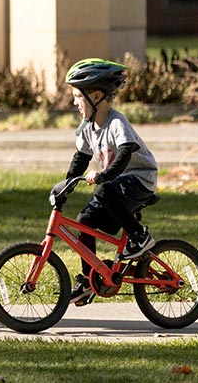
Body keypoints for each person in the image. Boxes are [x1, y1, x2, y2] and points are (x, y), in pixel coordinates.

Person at [56, 57, 159, 307]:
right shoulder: (88, 127)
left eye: (78, 96)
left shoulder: (116, 122)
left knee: (103, 189)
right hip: (115, 187)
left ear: (97, 95)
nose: (75, 103)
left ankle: (138, 236)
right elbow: (81, 158)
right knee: (84, 221)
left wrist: (104, 175)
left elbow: (125, 152)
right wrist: (65, 186)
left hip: (139, 180)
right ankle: (89, 280)